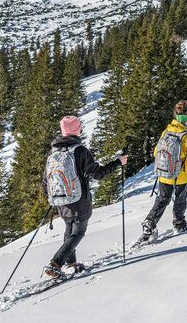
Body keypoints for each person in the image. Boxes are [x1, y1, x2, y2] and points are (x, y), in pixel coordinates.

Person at [42, 115, 127, 278]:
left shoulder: (52, 152)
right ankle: (56, 263)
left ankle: (71, 264)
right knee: (78, 233)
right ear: (77, 130)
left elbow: (45, 180)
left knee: (69, 230)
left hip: (61, 200)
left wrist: (54, 196)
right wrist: (118, 162)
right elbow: (98, 174)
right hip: (79, 200)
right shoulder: (80, 151)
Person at [140, 101, 187, 242]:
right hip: (179, 175)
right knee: (180, 200)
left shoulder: (167, 131)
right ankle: (179, 223)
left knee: (162, 199)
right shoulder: (185, 136)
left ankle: (149, 222)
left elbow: (156, 151)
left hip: (163, 173)